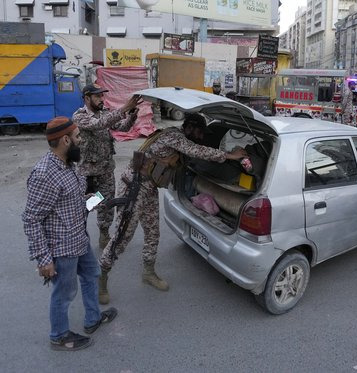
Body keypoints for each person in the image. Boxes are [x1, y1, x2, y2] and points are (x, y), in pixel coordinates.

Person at [97, 113, 247, 304]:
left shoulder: (180, 139)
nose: (201, 137)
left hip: (149, 186)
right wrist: (229, 155)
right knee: (123, 236)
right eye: (200, 132)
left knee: (153, 232)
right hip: (134, 186)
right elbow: (197, 151)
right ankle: (102, 277)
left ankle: (149, 273)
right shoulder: (174, 136)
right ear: (191, 127)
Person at [22, 117, 117, 351]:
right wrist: (44, 259)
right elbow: (32, 218)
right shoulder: (45, 174)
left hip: (79, 239)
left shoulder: (69, 165)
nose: (81, 141)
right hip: (61, 247)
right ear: (65, 140)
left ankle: (92, 319)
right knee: (64, 293)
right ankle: (59, 336)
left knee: (92, 275)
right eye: (78, 137)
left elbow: (69, 203)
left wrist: (93, 201)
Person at [72, 84, 141, 250]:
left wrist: (131, 116)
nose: (101, 99)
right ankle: (75, 236)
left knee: (106, 203)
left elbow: (121, 127)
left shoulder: (105, 112)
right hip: (87, 172)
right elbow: (99, 124)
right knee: (84, 206)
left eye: (102, 96)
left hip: (106, 170)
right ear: (87, 98)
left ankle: (104, 233)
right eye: (97, 96)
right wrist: (124, 107)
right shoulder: (79, 116)